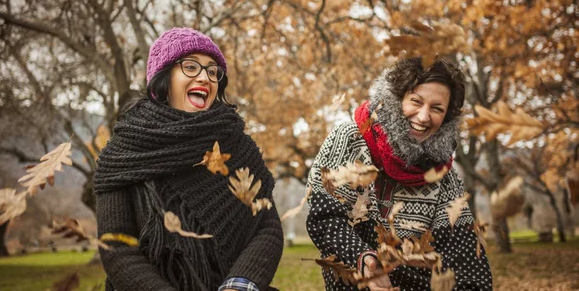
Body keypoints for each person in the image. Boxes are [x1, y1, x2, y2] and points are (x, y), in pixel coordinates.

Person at [94, 28, 284, 291]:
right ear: (163, 78)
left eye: (212, 70)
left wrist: (239, 285)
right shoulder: (124, 152)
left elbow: (267, 227)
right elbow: (116, 248)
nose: (205, 78)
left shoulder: (238, 146)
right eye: (191, 67)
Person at [306, 57, 492, 291]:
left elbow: (470, 265)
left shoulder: (443, 177)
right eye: (416, 101)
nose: (424, 117)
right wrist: (363, 257)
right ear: (396, 97)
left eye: (437, 108)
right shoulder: (351, 139)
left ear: (446, 118)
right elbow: (324, 217)